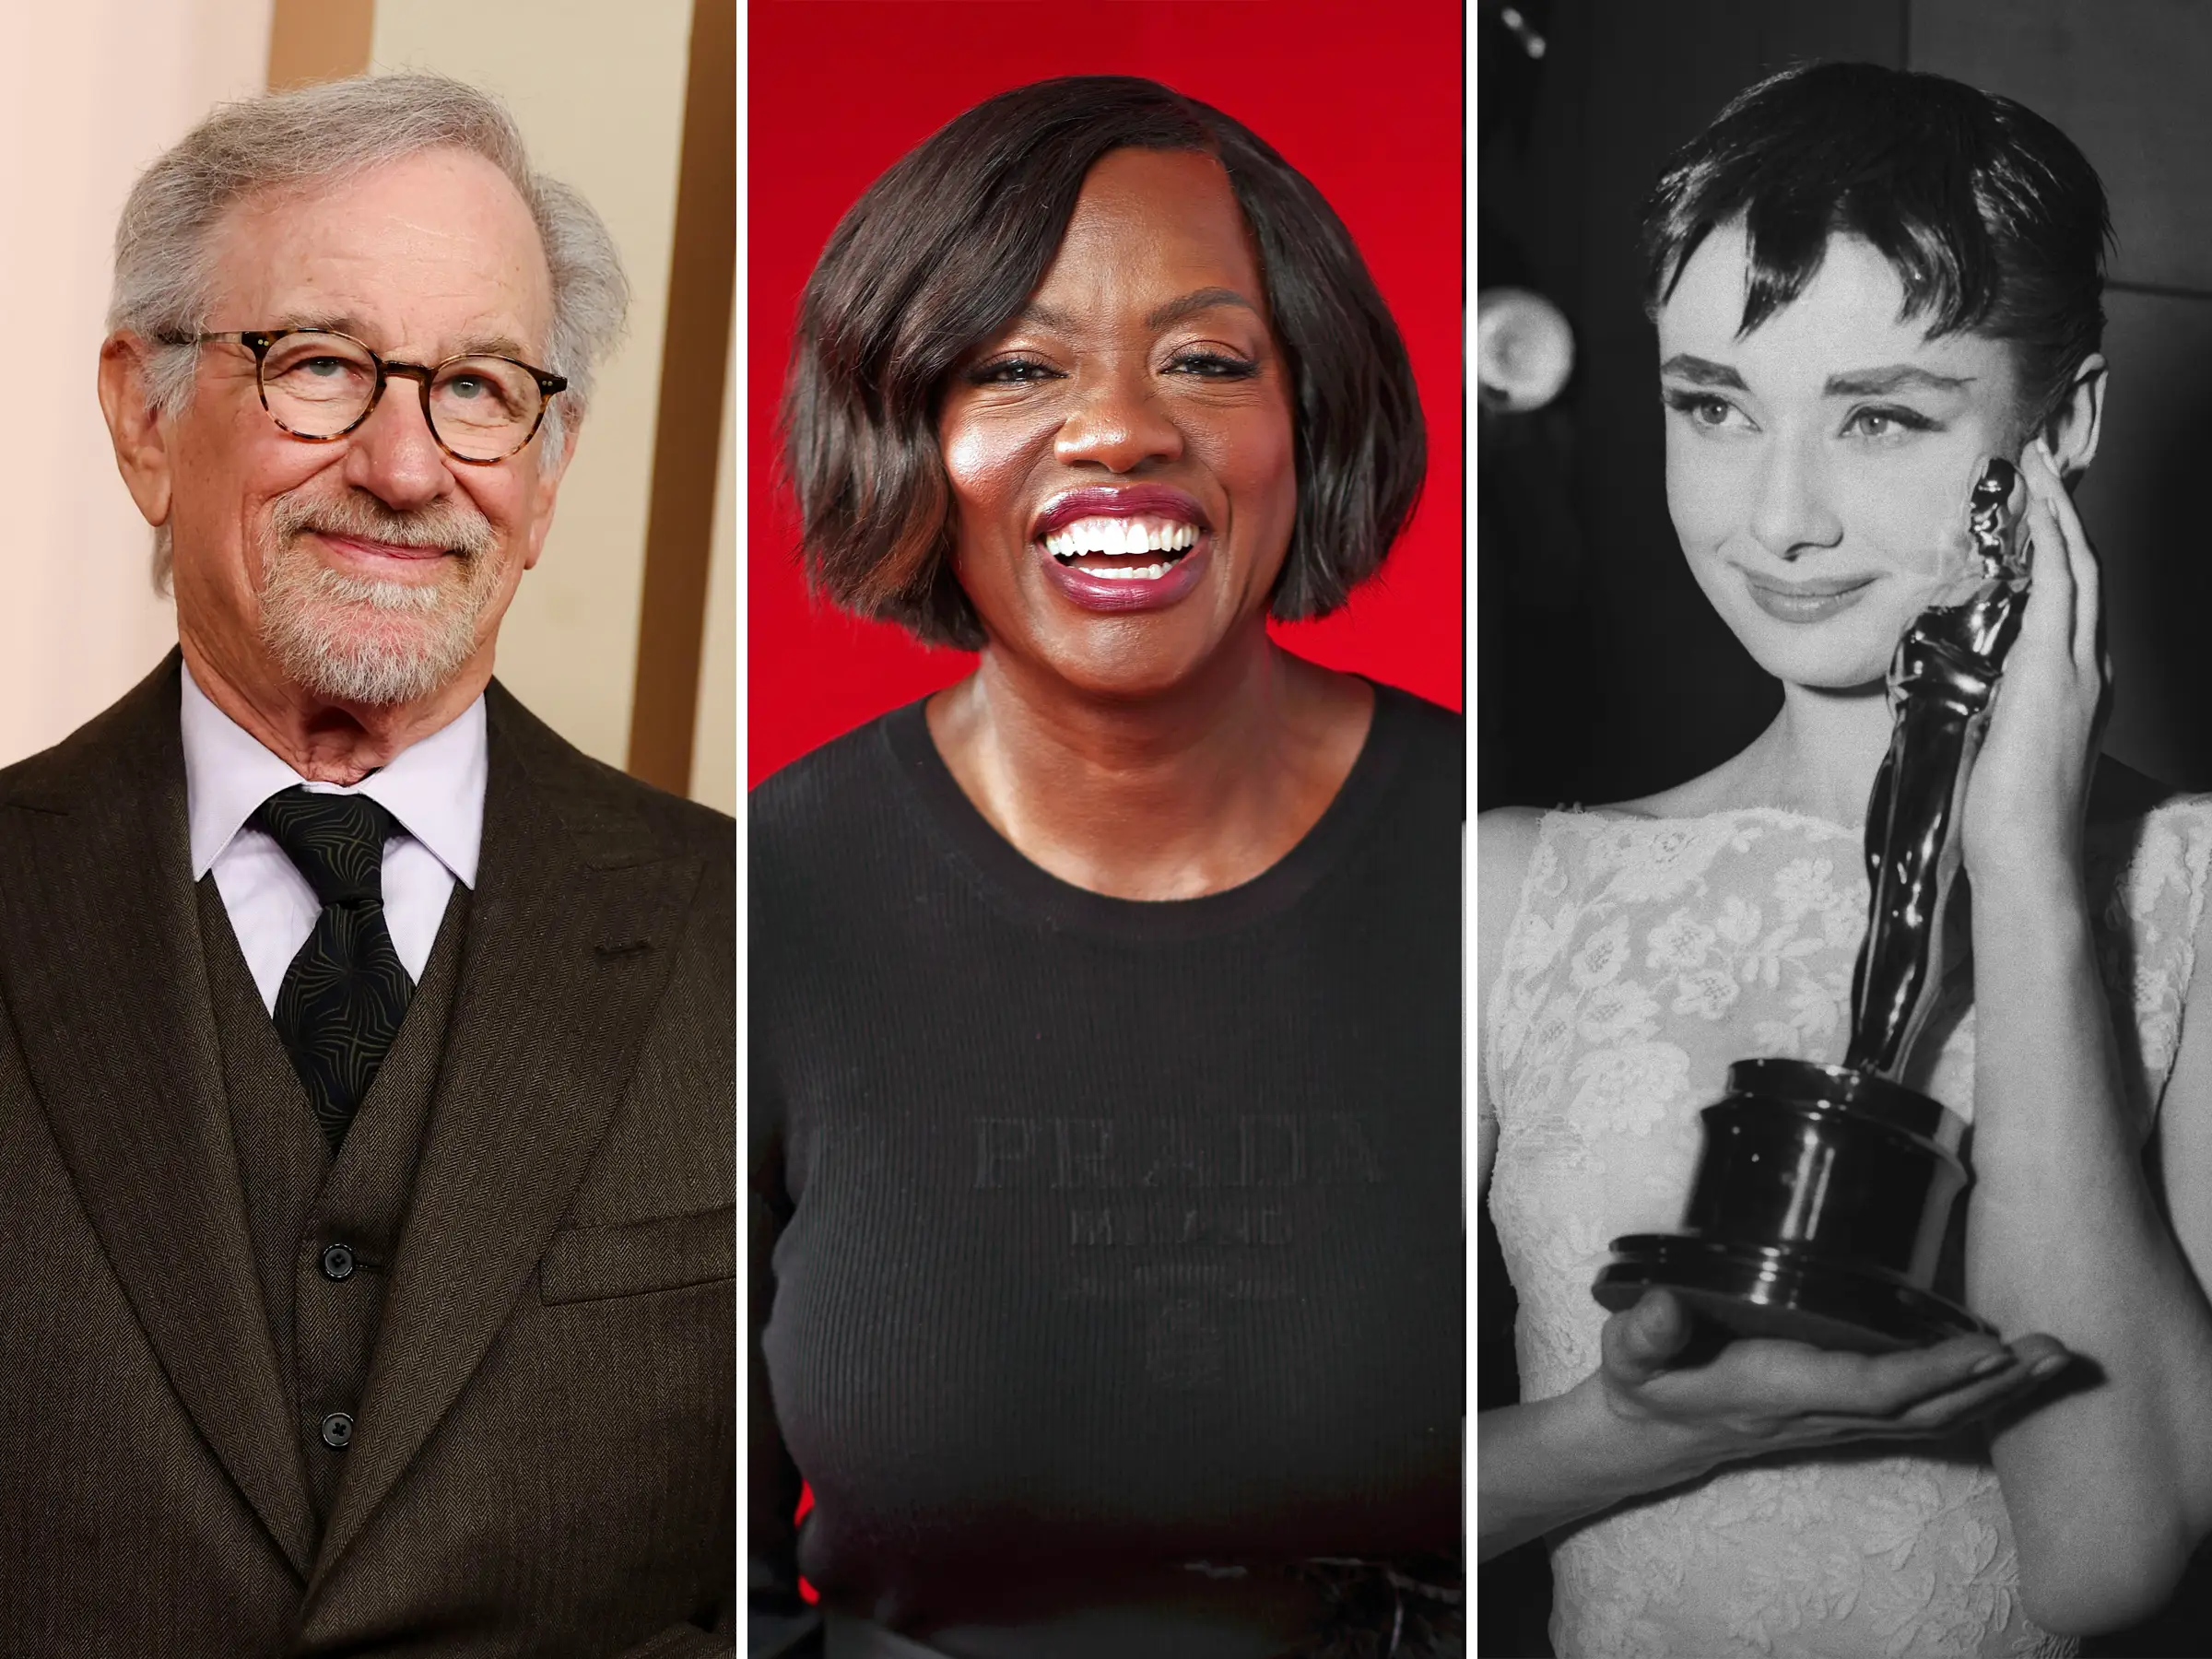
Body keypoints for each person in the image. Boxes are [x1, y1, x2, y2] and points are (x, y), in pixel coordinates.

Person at [1477, 62, 2212, 1657]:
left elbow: (2110, 1557)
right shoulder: (1511, 895)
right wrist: (1644, 1433)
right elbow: (1291, 1512)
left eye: (1878, 415)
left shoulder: (2197, 897)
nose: (1779, 515)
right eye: (1714, 407)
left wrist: (2021, 871)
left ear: (2063, 423)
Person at [0, 75, 732, 1655]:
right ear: (142, 412)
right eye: (322, 366)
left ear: (547, 470)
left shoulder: (759, 939)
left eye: (479, 388)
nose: (408, 468)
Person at [751, 76, 1461, 1659]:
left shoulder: (1509, 861)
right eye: (1017, 366)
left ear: (1311, 415)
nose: (1124, 429)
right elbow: (686, 1591)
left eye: (1207, 360)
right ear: (909, 434)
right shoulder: (759, 908)